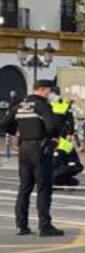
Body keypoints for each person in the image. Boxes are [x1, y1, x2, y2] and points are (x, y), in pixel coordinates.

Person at [2, 79, 66, 236]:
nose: (50, 94)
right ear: (43, 90)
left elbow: (4, 124)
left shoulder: (21, 105)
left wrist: (16, 132)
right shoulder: (42, 105)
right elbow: (52, 127)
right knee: (44, 187)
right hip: (40, 149)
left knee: (25, 187)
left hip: (23, 149)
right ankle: (45, 226)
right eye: (49, 91)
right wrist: (55, 136)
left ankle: (21, 225)